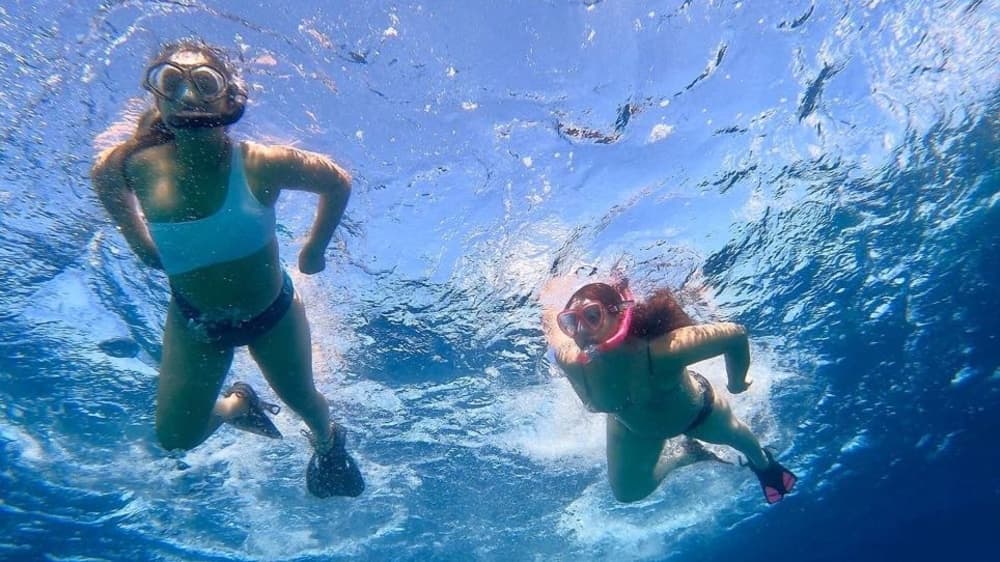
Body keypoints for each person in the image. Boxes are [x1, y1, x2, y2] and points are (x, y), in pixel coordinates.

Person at [90, 40, 364, 498]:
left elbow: (336, 180)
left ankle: (328, 443)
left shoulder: (260, 163)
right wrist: (136, 239)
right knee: (176, 437)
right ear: (157, 96)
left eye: (204, 82)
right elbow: (103, 178)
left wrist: (315, 248)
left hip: (271, 316)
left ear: (228, 95)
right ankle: (239, 406)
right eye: (171, 82)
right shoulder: (133, 166)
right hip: (195, 323)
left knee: (307, 406)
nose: (188, 95)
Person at [542, 280, 796, 504]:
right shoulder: (572, 362)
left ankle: (765, 467)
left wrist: (736, 383)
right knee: (628, 493)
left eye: (592, 316)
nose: (582, 330)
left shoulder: (661, 352)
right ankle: (686, 456)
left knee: (750, 449)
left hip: (697, 414)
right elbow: (552, 327)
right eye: (570, 322)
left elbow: (735, 335)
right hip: (634, 429)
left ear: (618, 315)